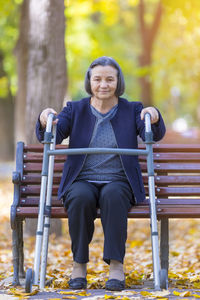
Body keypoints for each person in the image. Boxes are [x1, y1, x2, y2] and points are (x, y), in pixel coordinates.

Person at [36, 56, 166, 291]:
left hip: (119, 180)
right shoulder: (74, 109)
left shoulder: (132, 109)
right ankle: (79, 264)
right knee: (79, 197)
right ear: (90, 81)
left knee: (113, 196)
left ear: (118, 82)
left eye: (109, 79)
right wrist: (46, 119)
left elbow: (153, 134)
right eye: (97, 79)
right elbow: (54, 136)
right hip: (82, 179)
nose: (103, 85)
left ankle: (116, 265)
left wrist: (153, 115)